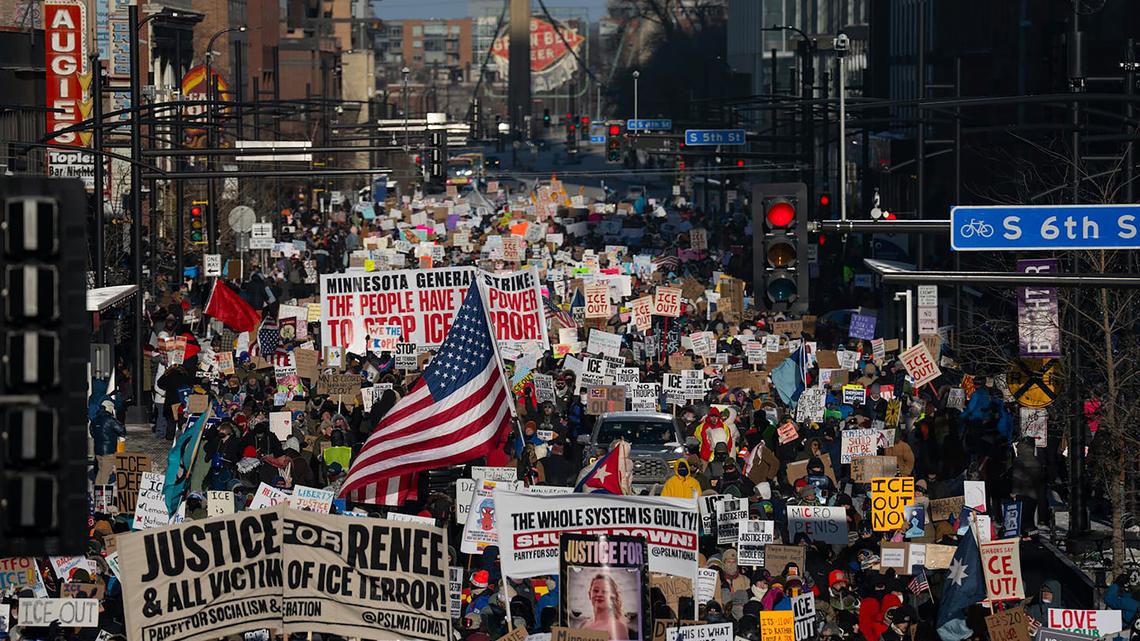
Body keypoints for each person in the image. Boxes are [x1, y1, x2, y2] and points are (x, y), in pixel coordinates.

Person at [578, 574, 635, 640]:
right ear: (589, 594)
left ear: (612, 597)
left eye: (605, 592)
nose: (599, 594)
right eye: (596, 591)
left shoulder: (617, 627)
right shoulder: (583, 624)